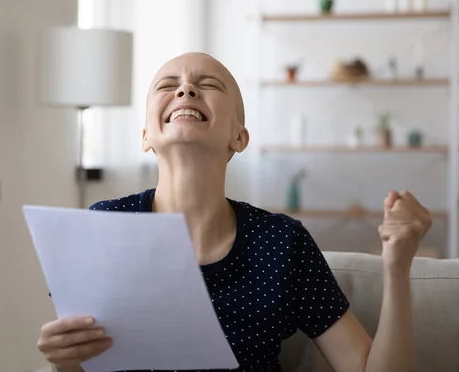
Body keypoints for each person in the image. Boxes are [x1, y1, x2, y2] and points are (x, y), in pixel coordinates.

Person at [36, 52, 432, 372]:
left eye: (207, 85)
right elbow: (82, 365)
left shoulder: (283, 242)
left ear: (239, 136)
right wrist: (63, 360)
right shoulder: (103, 226)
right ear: (145, 137)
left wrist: (397, 266)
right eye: (168, 85)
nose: (186, 90)